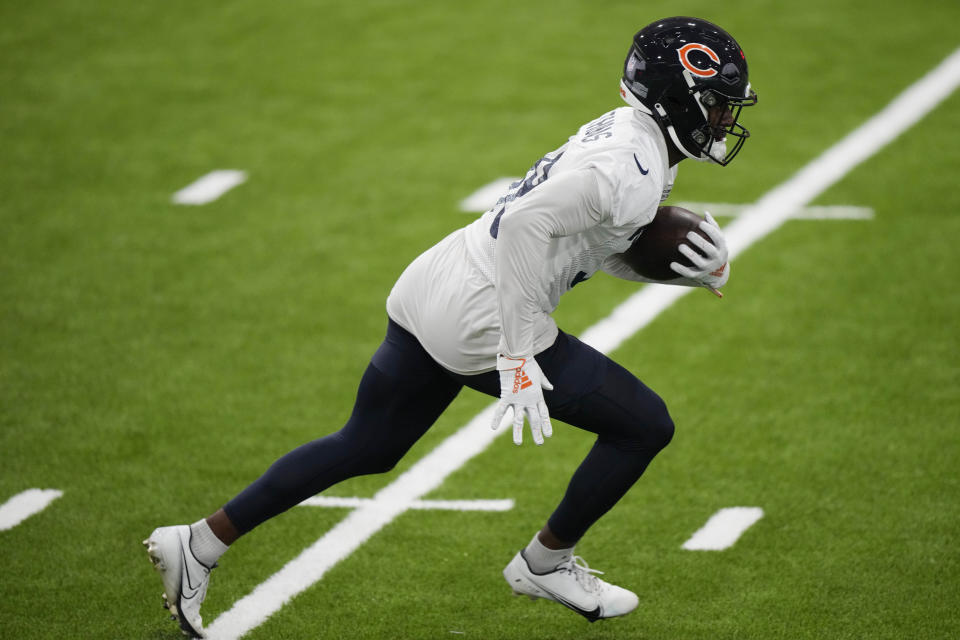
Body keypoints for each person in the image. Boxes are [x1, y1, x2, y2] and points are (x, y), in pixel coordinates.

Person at [144, 16, 757, 638]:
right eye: (713, 105)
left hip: (437, 279)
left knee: (366, 445)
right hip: (485, 315)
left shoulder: (631, 137)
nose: (721, 121)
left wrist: (674, 272)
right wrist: (517, 355)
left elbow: (587, 243)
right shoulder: (633, 170)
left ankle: (197, 544)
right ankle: (546, 563)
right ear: (675, 96)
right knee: (644, 425)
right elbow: (527, 225)